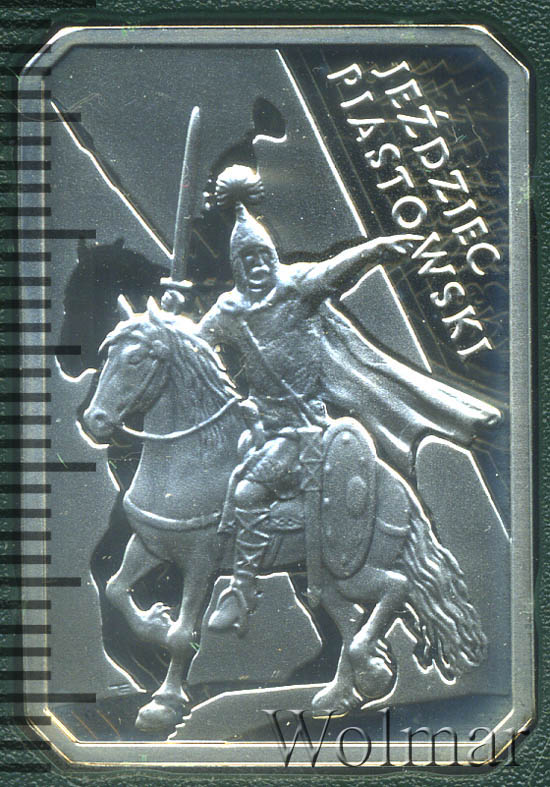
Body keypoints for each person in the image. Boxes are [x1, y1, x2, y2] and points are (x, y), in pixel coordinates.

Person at [195, 165, 433, 632]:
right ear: (237, 267)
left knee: (246, 493)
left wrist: (373, 250)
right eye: (248, 262)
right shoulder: (229, 311)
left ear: (271, 256)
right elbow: (197, 346)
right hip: (258, 427)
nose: (257, 268)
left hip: (302, 431)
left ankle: (241, 592)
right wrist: (171, 324)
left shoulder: (297, 288)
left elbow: (335, 270)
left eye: (262, 258)